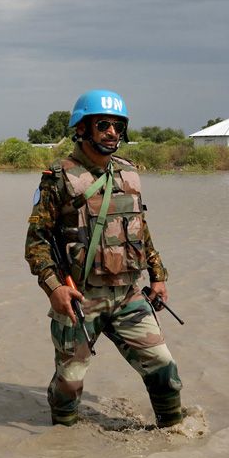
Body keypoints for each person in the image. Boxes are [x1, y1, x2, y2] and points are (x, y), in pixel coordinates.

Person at [24, 89, 184, 428]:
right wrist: (55, 289)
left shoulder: (128, 173)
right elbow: (36, 243)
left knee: (163, 367)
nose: (112, 132)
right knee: (69, 382)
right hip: (80, 298)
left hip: (128, 295)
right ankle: (62, 448)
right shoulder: (58, 179)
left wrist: (158, 275)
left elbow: (142, 230)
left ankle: (174, 432)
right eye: (104, 125)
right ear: (82, 128)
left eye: (118, 126)